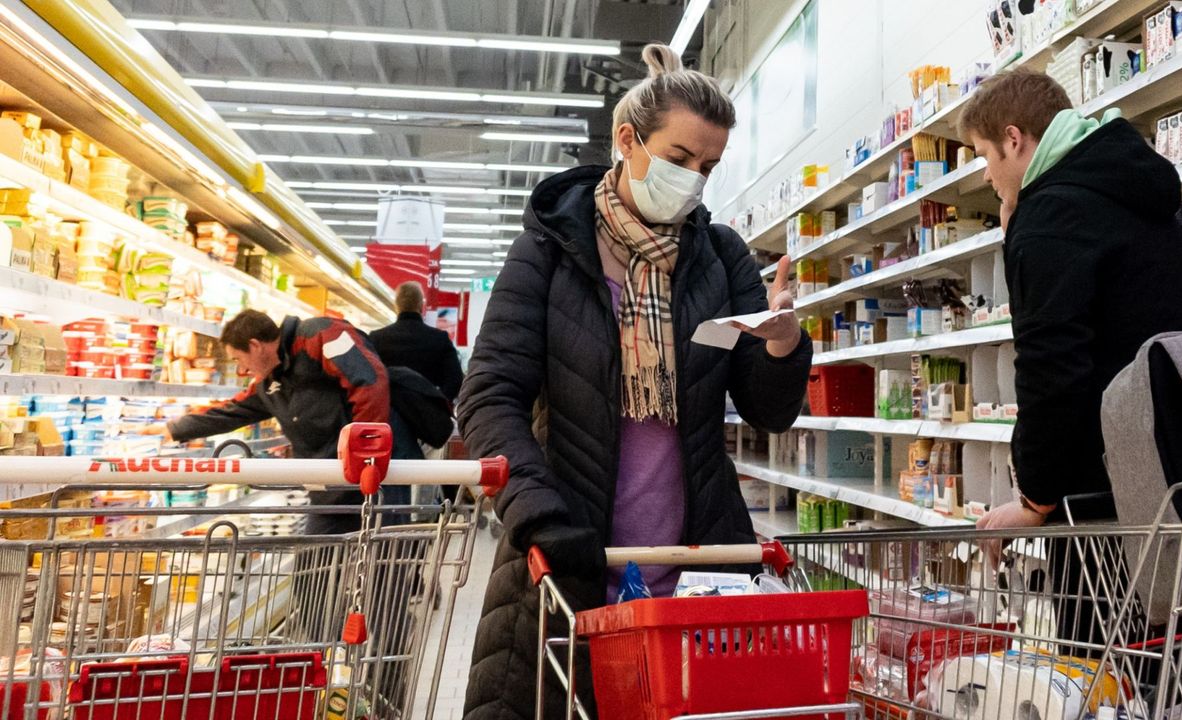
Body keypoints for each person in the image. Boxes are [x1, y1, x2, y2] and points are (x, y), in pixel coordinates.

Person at [457, 43, 813, 719]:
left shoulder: (719, 257)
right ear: (629, 140)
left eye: (707, 167)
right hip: (565, 566)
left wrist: (785, 344)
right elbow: (488, 394)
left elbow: (768, 412)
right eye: (680, 159)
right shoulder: (551, 250)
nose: (694, 179)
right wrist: (539, 517)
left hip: (699, 570)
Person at [961, 70, 1182, 642]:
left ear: (1015, 139)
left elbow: (1051, 369)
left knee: (1101, 674)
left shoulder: (1051, 217)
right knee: (1172, 668)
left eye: (984, 155)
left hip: (1102, 500)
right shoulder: (1132, 194)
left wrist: (1035, 498)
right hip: (1180, 475)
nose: (985, 174)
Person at [152, 309, 423, 532]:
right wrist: (172, 429)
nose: (241, 369)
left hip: (374, 476)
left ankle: (409, 588)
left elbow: (369, 382)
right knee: (312, 572)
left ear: (255, 346)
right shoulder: (270, 383)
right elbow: (232, 411)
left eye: (239, 359)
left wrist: (365, 456)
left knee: (387, 565)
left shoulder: (322, 336)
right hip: (329, 486)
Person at [370, 281, 464, 403]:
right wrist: (438, 403)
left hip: (389, 411)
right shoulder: (440, 339)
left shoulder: (376, 338)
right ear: (421, 306)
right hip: (428, 414)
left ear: (396, 306)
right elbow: (455, 380)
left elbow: (367, 377)